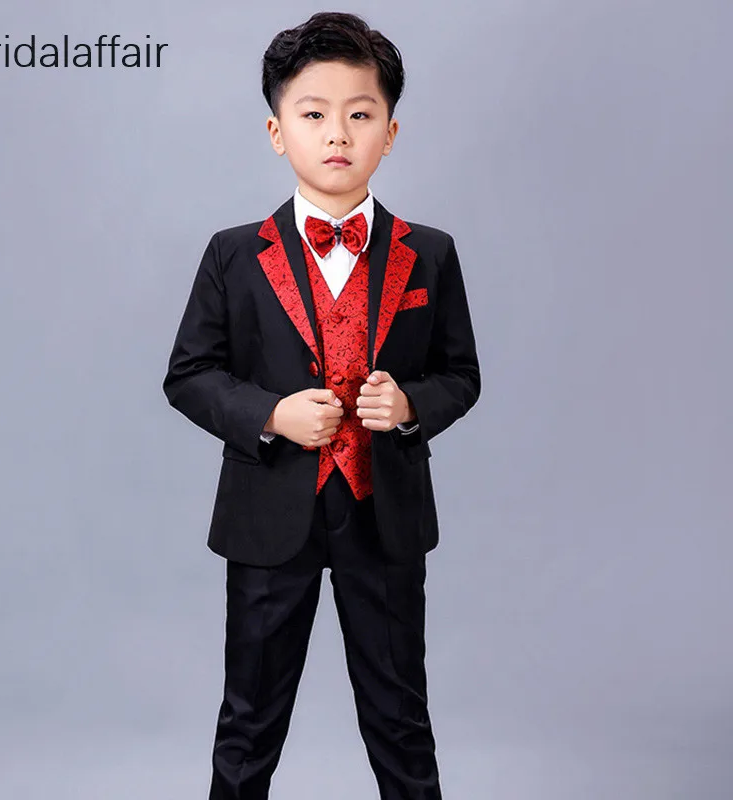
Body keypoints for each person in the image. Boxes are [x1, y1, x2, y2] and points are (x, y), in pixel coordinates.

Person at [162, 11, 481, 799]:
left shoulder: (429, 253)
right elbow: (189, 373)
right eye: (313, 114)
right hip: (270, 513)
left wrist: (409, 405)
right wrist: (271, 415)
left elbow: (460, 375)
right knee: (249, 718)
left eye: (360, 114)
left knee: (400, 715)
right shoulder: (233, 253)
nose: (338, 133)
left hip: (385, 513)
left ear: (390, 133)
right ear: (278, 132)